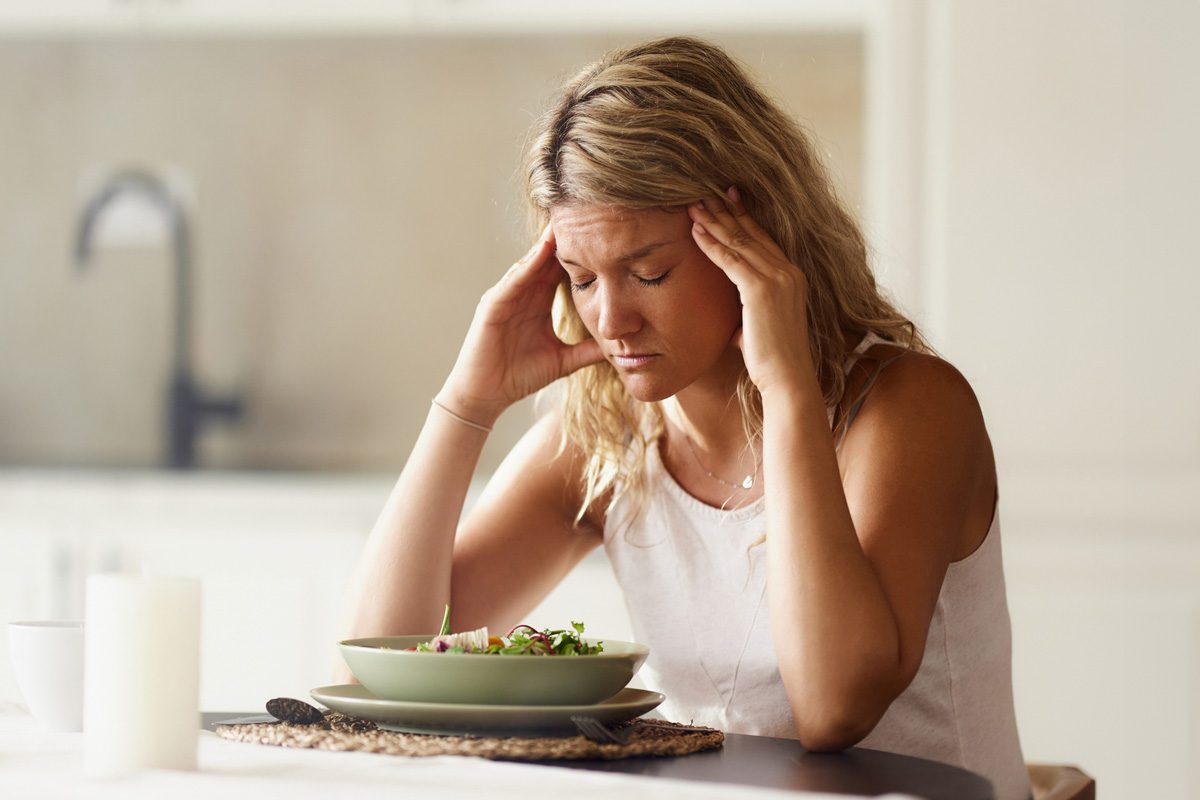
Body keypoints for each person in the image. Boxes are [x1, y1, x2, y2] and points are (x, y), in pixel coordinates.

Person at [340, 36, 1030, 800]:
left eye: (649, 272)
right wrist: (465, 404)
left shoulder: (909, 409)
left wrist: (789, 389)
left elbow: (835, 709)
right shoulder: (606, 433)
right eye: (581, 279)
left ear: (754, 240)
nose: (612, 320)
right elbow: (377, 664)